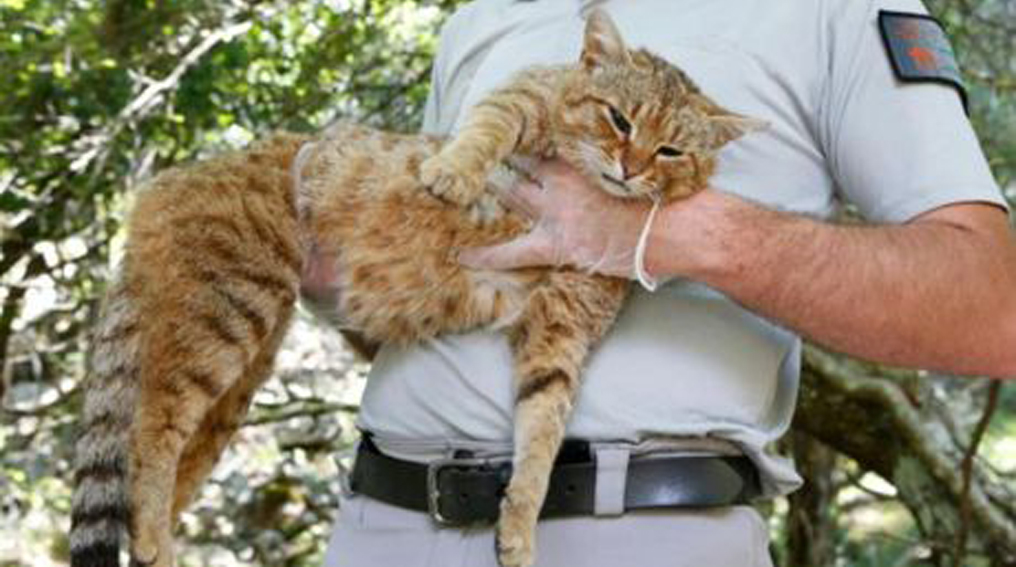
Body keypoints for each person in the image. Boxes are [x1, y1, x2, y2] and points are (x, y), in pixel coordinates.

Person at [310, 0, 1015, 565]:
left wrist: (658, 234)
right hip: (382, 516)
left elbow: (992, 306)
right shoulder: (480, 19)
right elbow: (445, 280)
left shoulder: (834, 13)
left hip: (639, 529)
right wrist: (325, 267)